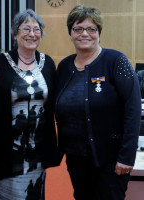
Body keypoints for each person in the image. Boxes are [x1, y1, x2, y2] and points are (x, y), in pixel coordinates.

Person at [55, 5, 141, 200]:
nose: (85, 34)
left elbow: (133, 110)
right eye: (78, 29)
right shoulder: (64, 67)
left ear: (99, 33)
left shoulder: (116, 61)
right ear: (70, 33)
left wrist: (127, 156)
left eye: (91, 29)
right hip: (76, 158)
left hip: (110, 160)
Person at [0, 9, 60, 200]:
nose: (32, 34)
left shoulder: (48, 63)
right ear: (15, 33)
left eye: (37, 30)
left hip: (39, 151)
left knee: (34, 194)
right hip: (9, 152)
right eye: (26, 29)